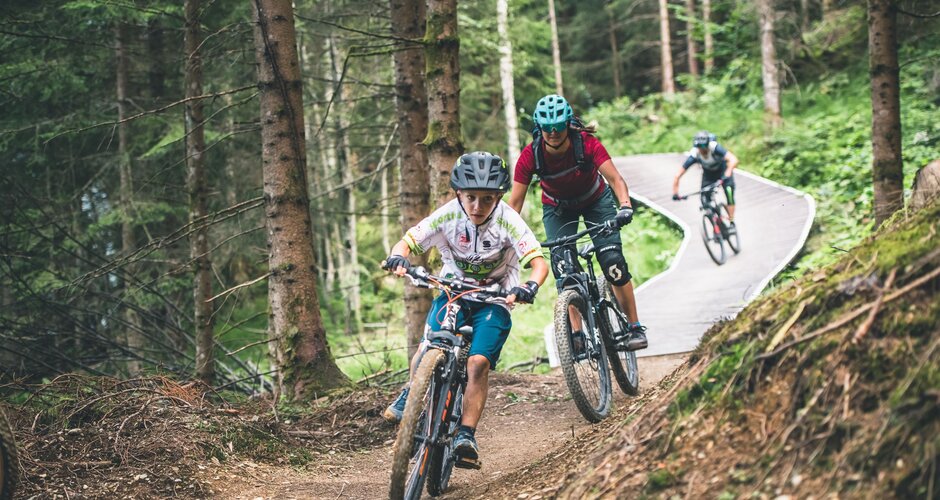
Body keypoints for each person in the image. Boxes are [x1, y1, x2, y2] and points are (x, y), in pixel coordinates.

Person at [382, 151, 549, 468]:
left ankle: (466, 435)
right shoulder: (447, 216)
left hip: (495, 298)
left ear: (499, 197)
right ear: (458, 193)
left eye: (487, 199)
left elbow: (539, 263)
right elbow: (407, 241)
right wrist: (398, 257)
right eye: (470, 197)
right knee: (428, 345)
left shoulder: (509, 221)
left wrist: (529, 286)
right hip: (453, 291)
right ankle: (411, 391)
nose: (477, 206)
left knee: (477, 363)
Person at [507, 94, 648, 351]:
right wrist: (506, 236)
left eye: (558, 127)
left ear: (567, 124)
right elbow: (514, 203)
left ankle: (635, 327)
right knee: (565, 273)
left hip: (596, 200)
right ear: (538, 127)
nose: (552, 133)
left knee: (613, 264)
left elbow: (616, 179)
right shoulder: (531, 155)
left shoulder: (586, 143)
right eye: (547, 128)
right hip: (558, 208)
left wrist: (625, 206)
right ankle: (577, 334)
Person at [672, 131, 740, 226]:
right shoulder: (695, 155)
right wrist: (675, 193)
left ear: (708, 145)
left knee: (729, 192)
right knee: (704, 200)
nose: (702, 150)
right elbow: (678, 175)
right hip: (709, 175)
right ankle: (716, 224)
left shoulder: (715, 148)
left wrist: (728, 173)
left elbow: (733, 160)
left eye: (704, 147)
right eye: (700, 147)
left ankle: (731, 220)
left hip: (723, 172)